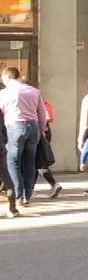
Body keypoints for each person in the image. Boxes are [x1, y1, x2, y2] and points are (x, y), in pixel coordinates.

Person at [0, 68, 44, 207]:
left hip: (15, 127)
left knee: (13, 161)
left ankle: (18, 195)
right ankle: (27, 195)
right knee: (30, 162)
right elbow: (41, 112)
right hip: (33, 127)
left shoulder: (5, 93)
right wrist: (41, 130)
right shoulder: (33, 91)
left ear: (7, 78)